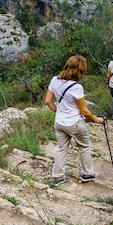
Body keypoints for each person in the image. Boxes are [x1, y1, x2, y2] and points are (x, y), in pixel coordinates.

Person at [44, 55, 104, 186]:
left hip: (59, 123)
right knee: (84, 146)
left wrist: (58, 111)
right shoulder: (76, 87)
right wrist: (96, 119)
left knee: (61, 148)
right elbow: (84, 111)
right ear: (81, 71)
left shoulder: (54, 80)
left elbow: (47, 101)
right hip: (75, 123)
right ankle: (87, 173)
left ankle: (58, 176)